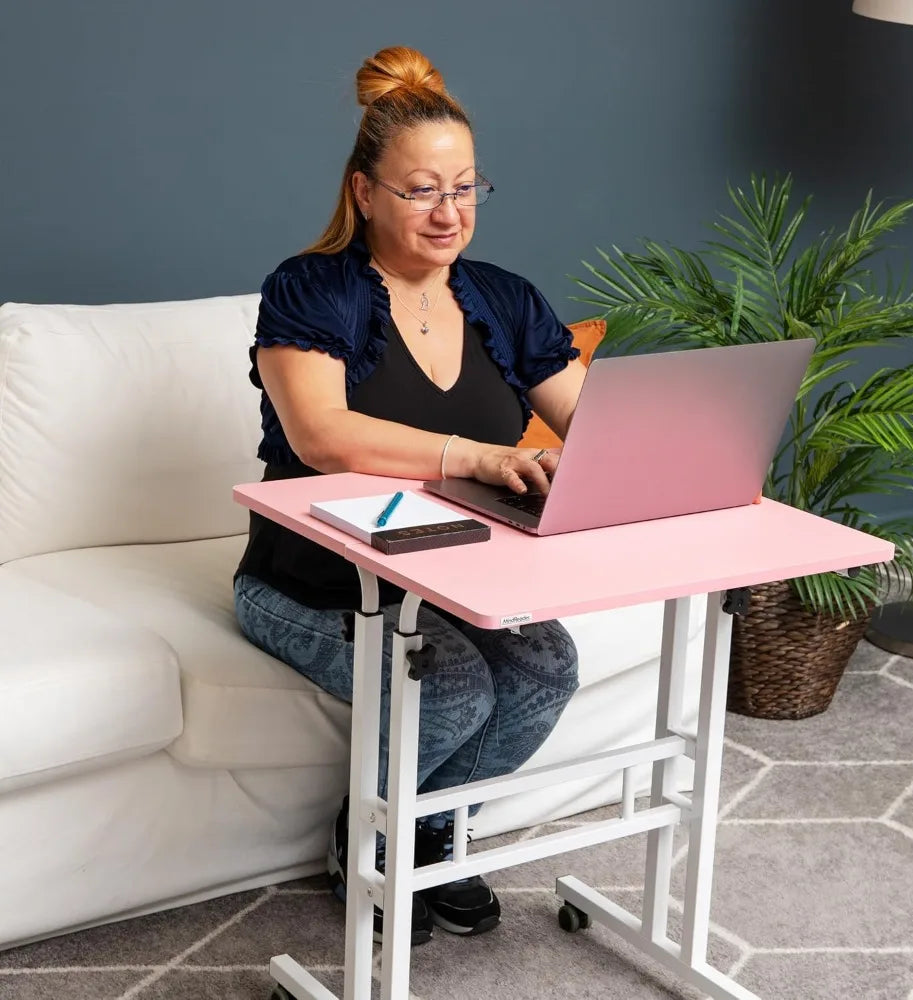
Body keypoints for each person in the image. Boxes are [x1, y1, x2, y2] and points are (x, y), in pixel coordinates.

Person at [233, 45, 587, 946]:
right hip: (313, 579)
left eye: (466, 189)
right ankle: (367, 845)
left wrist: (661, 449)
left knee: (549, 666)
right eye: (422, 190)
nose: (449, 212)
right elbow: (321, 435)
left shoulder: (505, 299)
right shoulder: (311, 289)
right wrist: (475, 455)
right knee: (452, 685)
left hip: (461, 577)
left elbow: (591, 424)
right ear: (364, 192)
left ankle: (433, 835)